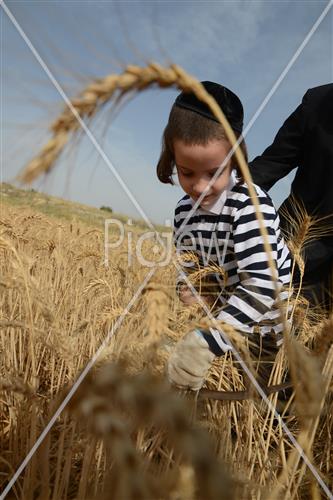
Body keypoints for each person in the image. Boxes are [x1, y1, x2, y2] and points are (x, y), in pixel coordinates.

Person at [156, 82, 292, 391]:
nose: (201, 187)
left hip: (264, 336)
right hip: (218, 330)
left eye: (214, 173)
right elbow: (189, 263)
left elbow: (262, 286)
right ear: (171, 156)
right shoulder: (183, 211)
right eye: (187, 173)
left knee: (255, 410)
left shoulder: (249, 205)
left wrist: (206, 344)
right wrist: (188, 288)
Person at [249, 84, 333, 311]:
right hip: (296, 243)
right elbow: (274, 161)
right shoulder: (318, 101)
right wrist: (227, 189)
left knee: (314, 343)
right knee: (263, 332)